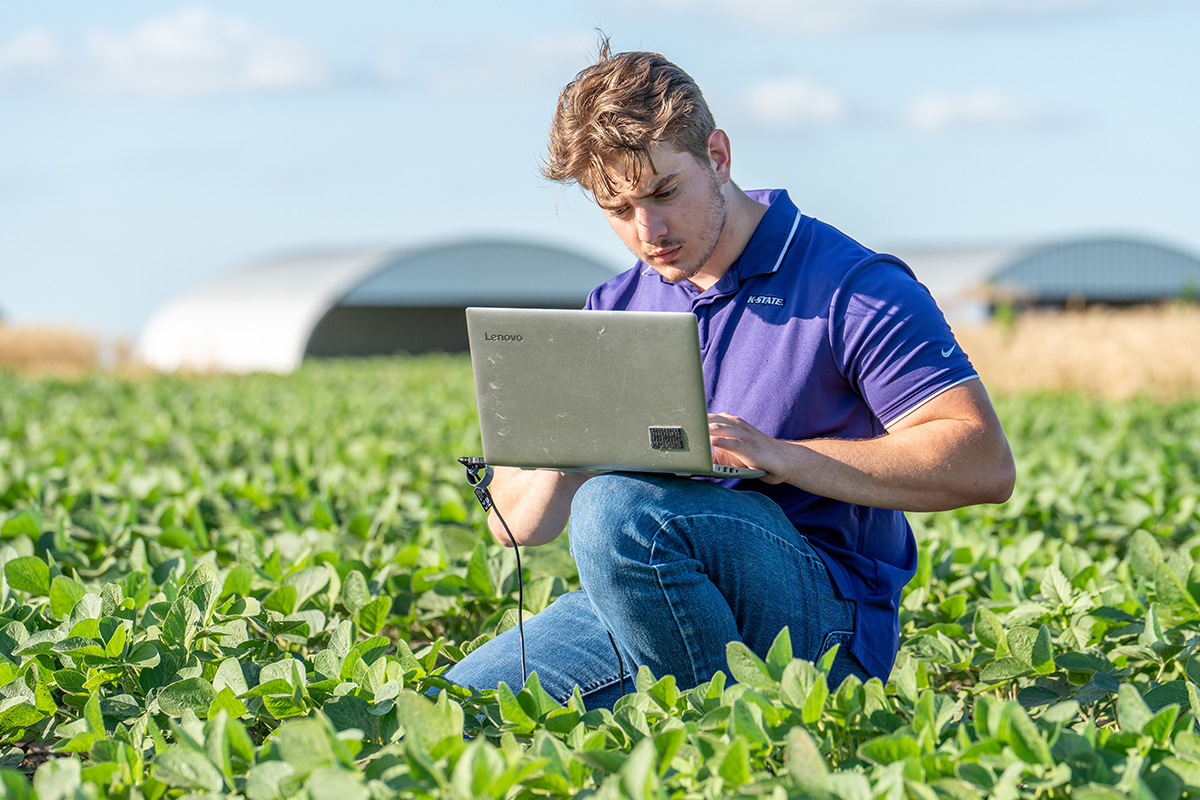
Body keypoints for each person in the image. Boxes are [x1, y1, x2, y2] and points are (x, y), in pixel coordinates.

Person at [444, 40, 1015, 710]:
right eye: (617, 209)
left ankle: (713, 742)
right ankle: (698, 715)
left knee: (616, 512)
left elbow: (983, 463)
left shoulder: (852, 286)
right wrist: (564, 460)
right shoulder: (616, 307)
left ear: (717, 156)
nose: (647, 229)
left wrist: (784, 457)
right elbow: (514, 529)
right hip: (650, 592)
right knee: (449, 710)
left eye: (664, 192)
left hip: (823, 616)